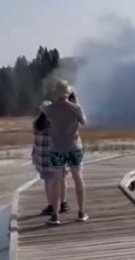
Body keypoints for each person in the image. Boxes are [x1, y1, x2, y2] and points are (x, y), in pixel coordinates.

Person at [41, 80, 88, 224]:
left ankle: (55, 215)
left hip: (56, 148)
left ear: (55, 94)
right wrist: (75, 101)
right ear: (68, 93)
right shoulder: (76, 108)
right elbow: (84, 122)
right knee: (77, 178)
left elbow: (43, 106)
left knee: (56, 180)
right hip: (74, 147)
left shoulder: (49, 109)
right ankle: (81, 212)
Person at [31, 102, 68, 216]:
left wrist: (33, 156)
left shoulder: (37, 124)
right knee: (61, 179)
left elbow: (36, 142)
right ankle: (63, 203)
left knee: (48, 182)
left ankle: (51, 205)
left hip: (42, 157)